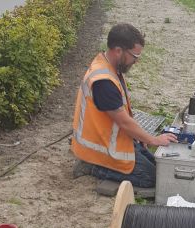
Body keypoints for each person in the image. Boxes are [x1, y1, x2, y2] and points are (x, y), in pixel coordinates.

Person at [71, 23, 177, 188]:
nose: (136, 62)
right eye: (135, 56)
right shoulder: (104, 82)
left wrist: (140, 137)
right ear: (119, 50)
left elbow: (123, 117)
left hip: (108, 140)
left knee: (159, 168)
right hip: (98, 150)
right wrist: (153, 139)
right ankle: (92, 167)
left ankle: (100, 163)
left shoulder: (109, 66)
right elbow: (124, 122)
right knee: (152, 179)